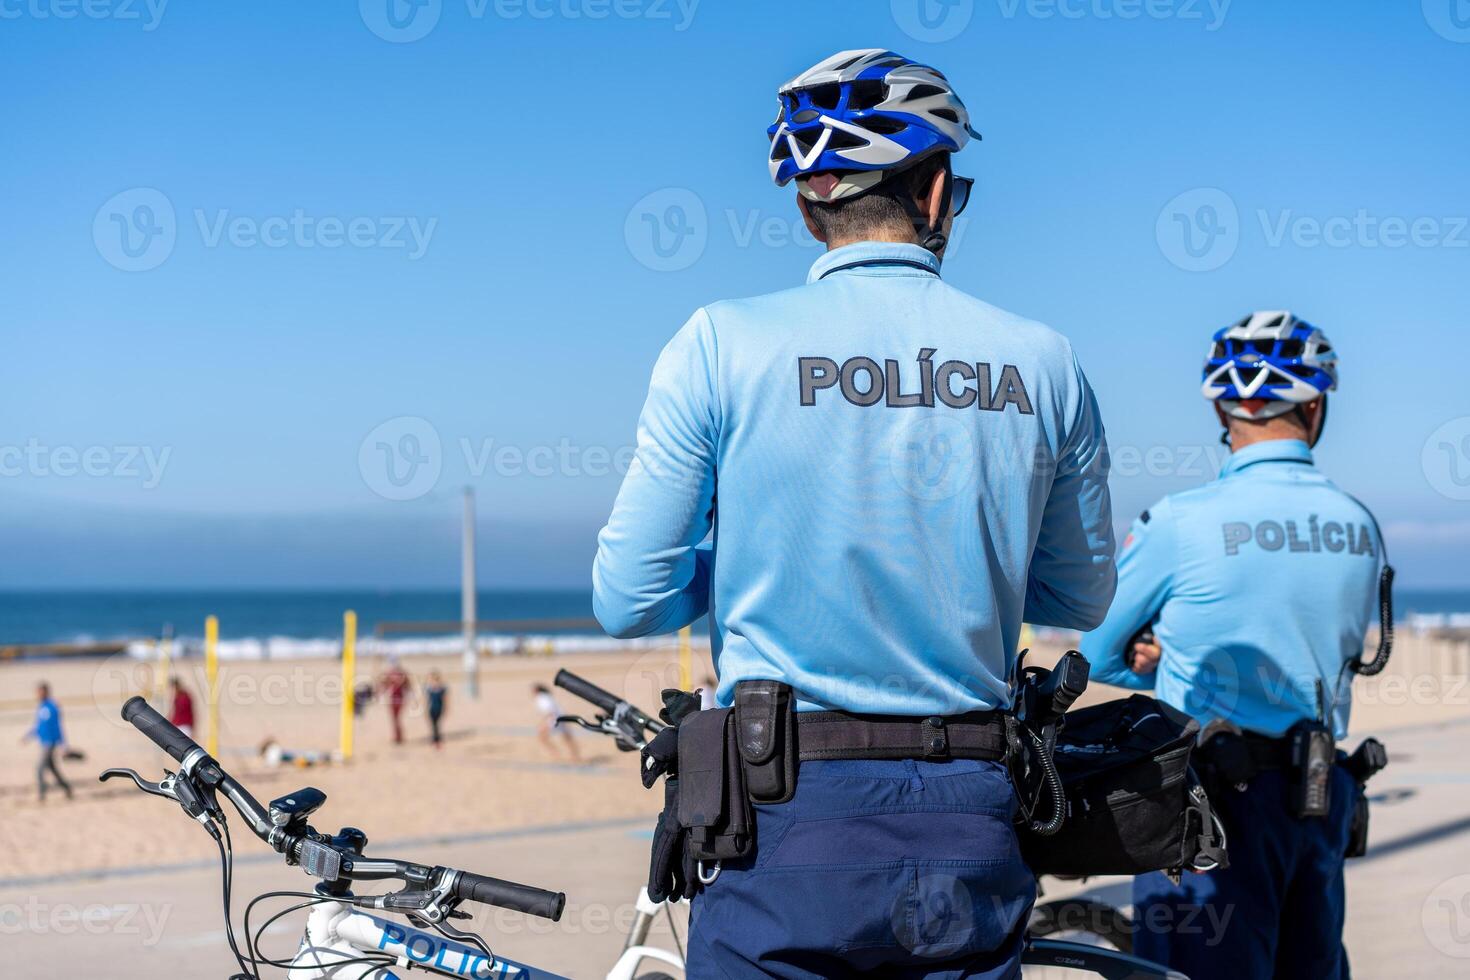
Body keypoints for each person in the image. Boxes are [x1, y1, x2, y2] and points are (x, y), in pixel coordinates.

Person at [594, 49, 1115, 979]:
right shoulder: (1045, 361)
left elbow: (628, 597)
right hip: (972, 808)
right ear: (940, 190)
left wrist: (759, 561)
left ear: (807, 204)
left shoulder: (721, 342)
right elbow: (1079, 594)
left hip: (784, 812)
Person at [1080, 312, 1381, 979]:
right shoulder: (1359, 525)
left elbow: (1097, 651)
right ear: (1316, 404)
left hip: (1207, 809)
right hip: (1320, 796)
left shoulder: (1180, 522)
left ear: (1223, 405)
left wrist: (1164, 663)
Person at [22, 683, 72, 803]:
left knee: (39, 768)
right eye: (37, 692)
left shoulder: (52, 707)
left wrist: (64, 744)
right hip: (43, 742)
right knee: (53, 768)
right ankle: (66, 787)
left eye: (40, 691)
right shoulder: (41, 707)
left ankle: (41, 793)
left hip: (50, 743)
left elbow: (58, 726)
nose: (38, 694)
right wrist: (28, 736)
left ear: (46, 692)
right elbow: (39, 726)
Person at [532, 683, 581, 762]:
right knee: (567, 738)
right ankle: (574, 756)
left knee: (542, 737)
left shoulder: (541, 698)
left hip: (553, 719)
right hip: (561, 717)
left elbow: (549, 711)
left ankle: (556, 754)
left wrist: (543, 723)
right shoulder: (546, 696)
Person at [377, 656, 411, 745]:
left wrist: (409, 695)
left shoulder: (403, 673)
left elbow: (408, 685)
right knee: (394, 718)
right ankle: (397, 736)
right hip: (392, 699)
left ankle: (399, 736)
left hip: (400, 698)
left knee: (397, 718)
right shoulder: (388, 674)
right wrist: (380, 692)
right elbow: (383, 685)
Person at [425, 671, 447, 748]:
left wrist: (446, 709)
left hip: (439, 708)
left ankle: (437, 739)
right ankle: (435, 739)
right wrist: (425, 709)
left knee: (437, 724)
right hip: (431, 709)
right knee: (433, 724)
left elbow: (445, 700)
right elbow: (427, 700)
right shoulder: (429, 689)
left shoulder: (442, 688)